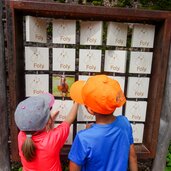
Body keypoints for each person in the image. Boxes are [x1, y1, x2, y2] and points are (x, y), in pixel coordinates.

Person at [68, 75, 138, 171]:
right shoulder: (125, 123)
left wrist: (88, 133)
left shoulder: (83, 138)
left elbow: (74, 168)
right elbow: (133, 157)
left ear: (90, 110)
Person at [14, 93, 78, 171]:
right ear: (48, 121)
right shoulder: (54, 138)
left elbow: (44, 137)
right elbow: (69, 120)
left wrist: (50, 120)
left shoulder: (21, 136)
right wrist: (77, 101)